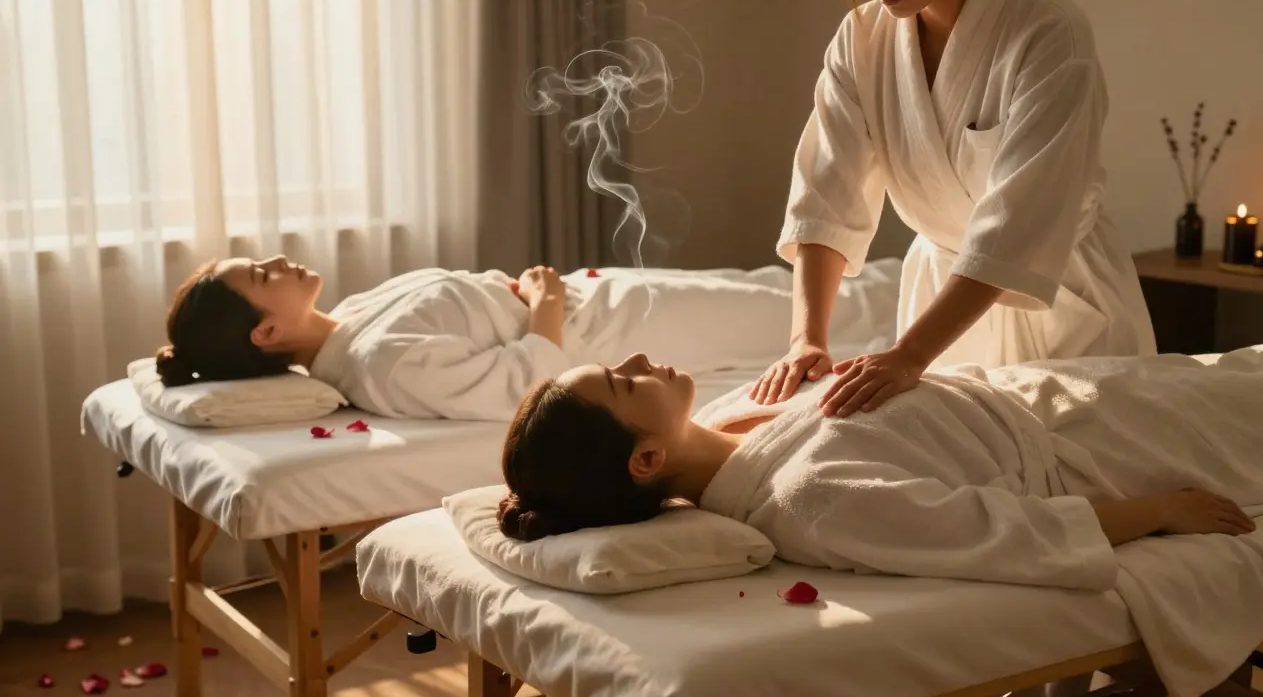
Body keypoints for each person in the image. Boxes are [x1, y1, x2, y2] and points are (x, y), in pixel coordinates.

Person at [497, 347, 1263, 590]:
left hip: (1056, 388)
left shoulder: (733, 419)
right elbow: (1004, 534)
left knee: (1247, 369)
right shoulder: (808, 502)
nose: (640, 360)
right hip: (1107, 448)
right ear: (647, 460)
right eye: (624, 384)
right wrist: (1160, 511)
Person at [751, 0, 1156, 419]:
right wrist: (807, 341)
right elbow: (825, 197)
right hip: (939, 303)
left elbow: (1017, 224)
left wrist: (911, 353)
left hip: (1058, 297)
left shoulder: (1049, 29)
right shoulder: (862, 40)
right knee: (954, 469)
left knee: (1094, 469)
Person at [153, 255, 901, 421]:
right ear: (267, 329)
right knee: (834, 314)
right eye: (260, 272)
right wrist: (543, 303)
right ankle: (979, 291)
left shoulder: (356, 314)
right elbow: (521, 387)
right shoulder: (382, 365)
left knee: (784, 291)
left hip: (608, 297)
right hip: (621, 328)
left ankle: (956, 274)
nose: (276, 260)